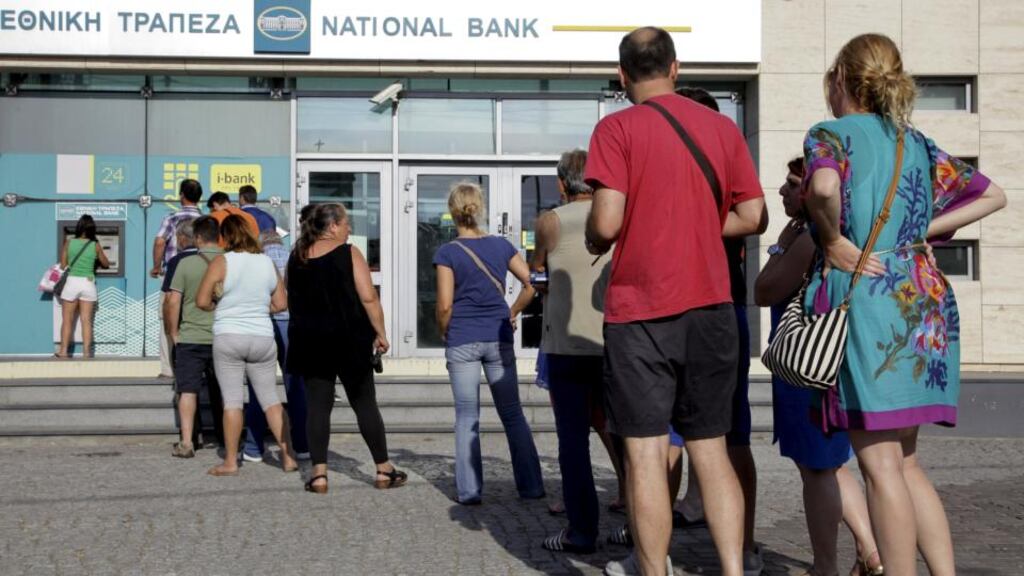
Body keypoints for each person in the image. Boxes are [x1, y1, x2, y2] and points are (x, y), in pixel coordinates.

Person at [801, 34, 1006, 576]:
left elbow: (822, 188)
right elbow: (993, 194)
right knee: (907, 460)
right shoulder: (914, 142)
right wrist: (914, 234)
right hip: (924, 302)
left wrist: (831, 238)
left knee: (879, 463)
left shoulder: (831, 134)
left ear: (840, 79)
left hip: (871, 304)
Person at [584, 28, 765, 576]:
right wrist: (700, 228)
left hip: (641, 313)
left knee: (643, 453)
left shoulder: (614, 129)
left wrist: (596, 236)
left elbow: (608, 221)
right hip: (711, 307)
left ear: (621, 75)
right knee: (711, 448)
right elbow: (754, 215)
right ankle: (734, 568)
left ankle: (653, 569)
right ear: (675, 67)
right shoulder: (721, 127)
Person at [755, 157, 883, 576]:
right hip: (814, 363)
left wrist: (781, 248)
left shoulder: (812, 238)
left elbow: (764, 289)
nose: (783, 192)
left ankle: (824, 566)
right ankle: (869, 552)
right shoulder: (808, 234)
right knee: (828, 463)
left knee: (816, 468)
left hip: (808, 365)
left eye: (793, 184)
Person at [667, 85, 766, 576]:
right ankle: (729, 553)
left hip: (698, 312)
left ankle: (734, 552)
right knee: (708, 440)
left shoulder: (720, 160)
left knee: (698, 441)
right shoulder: (723, 154)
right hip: (711, 313)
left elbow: (757, 216)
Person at [434, 182, 544, 505]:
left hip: (463, 339)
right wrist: (512, 312)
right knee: (512, 413)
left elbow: (444, 305)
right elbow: (531, 283)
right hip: (498, 336)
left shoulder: (448, 252)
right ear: (479, 208)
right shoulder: (501, 245)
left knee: (467, 416)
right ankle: (532, 486)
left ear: (453, 212)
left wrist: (444, 330)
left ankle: (469, 492)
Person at [287, 203, 406, 494]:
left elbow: (292, 298)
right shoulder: (349, 253)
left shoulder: (297, 256)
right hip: (348, 338)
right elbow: (368, 298)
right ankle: (383, 468)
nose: (349, 228)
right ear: (332, 227)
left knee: (317, 407)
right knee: (364, 403)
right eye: (346, 223)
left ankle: (319, 474)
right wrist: (381, 333)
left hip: (309, 340)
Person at [533, 150, 619, 554]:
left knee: (573, 442)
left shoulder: (550, 221)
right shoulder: (619, 217)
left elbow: (538, 274)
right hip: (615, 342)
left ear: (562, 184)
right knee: (628, 438)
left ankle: (581, 531)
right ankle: (641, 526)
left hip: (566, 345)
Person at [196, 214, 297, 477]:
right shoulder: (266, 263)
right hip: (262, 337)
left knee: (232, 402)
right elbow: (281, 304)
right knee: (271, 401)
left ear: (225, 237)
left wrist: (218, 305)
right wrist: (259, 308)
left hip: (229, 336)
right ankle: (288, 457)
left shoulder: (221, 261)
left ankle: (230, 462)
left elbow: (201, 300)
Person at [241, 228, 310, 463]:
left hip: (264, 325)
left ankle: (253, 447)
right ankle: (301, 445)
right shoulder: (295, 257)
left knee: (258, 387)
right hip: (292, 326)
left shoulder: (257, 261)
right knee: (296, 387)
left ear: (261, 243)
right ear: (280, 242)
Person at [164, 216, 226, 457]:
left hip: (190, 336)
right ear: (218, 237)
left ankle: (187, 442)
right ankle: (229, 441)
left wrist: (174, 332)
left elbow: (172, 301)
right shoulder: (229, 262)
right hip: (223, 336)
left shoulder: (185, 264)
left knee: (188, 390)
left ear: (197, 238)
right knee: (225, 391)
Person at [151, 179, 204, 378]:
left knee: (167, 319)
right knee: (196, 319)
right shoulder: (205, 220)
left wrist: (156, 267)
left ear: (181, 195)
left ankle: (167, 370)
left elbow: (159, 242)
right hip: (200, 275)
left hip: (173, 275)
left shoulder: (171, 217)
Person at [56, 214, 110, 358]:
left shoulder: (69, 243)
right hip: (88, 282)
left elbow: (63, 265)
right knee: (86, 321)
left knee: (67, 320)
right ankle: (86, 353)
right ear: (92, 228)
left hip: (72, 282)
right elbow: (106, 263)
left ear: (79, 227)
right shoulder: (95, 245)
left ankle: (63, 352)